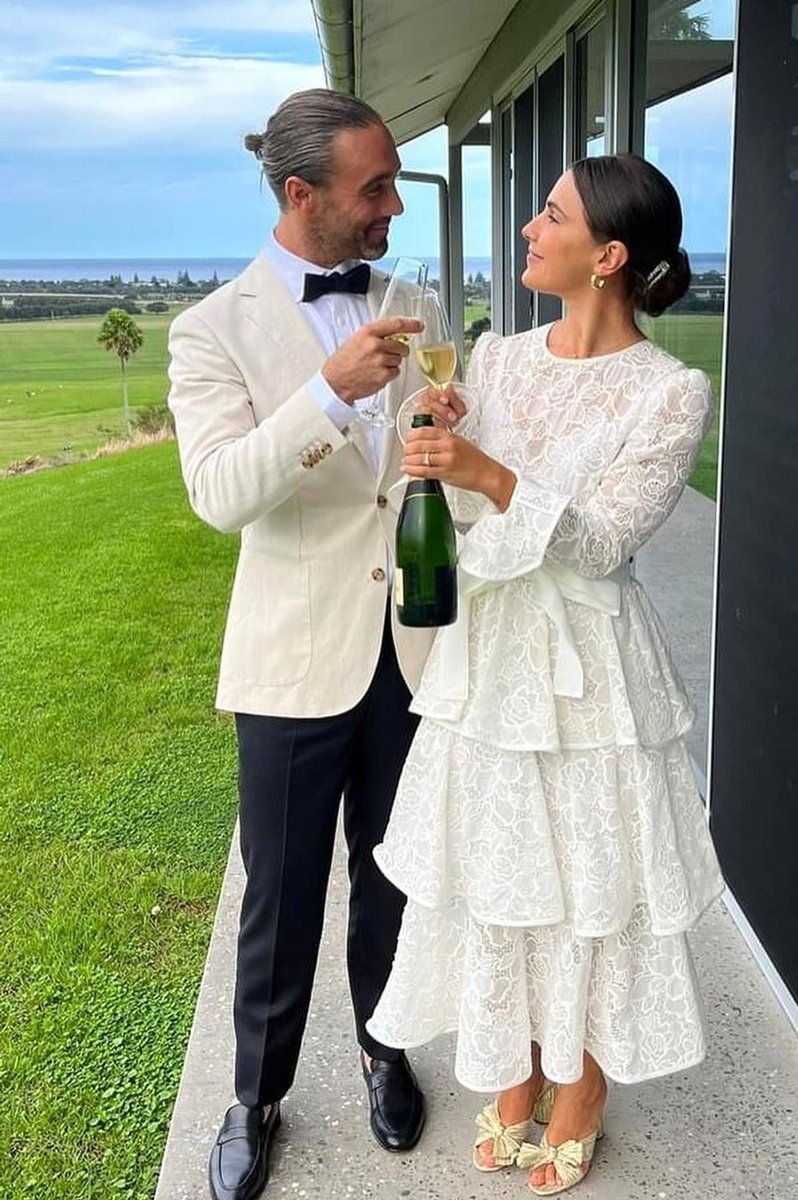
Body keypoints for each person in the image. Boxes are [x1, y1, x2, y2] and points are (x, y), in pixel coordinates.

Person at [365, 153, 726, 1196]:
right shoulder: (498, 357)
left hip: (594, 676)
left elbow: (606, 543)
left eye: (552, 214)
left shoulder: (671, 393)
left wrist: (486, 473)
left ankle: (585, 1088)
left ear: (608, 257)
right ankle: (518, 1073)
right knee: (500, 876)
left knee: (593, 885)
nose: (529, 227)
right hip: (491, 663)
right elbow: (463, 499)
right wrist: (436, 447)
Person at [166, 88, 435, 1200]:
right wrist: (329, 392)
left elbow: (415, 465)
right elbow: (222, 494)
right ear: (301, 194)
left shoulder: (411, 300)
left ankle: (384, 1047)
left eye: (393, 188)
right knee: (281, 894)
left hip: (410, 648)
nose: (391, 212)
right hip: (290, 657)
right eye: (375, 190)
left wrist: (441, 436)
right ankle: (256, 1096)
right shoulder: (210, 330)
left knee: (392, 876)